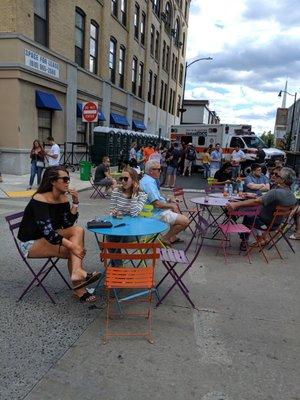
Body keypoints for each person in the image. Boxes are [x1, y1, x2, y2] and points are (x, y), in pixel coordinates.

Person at [17, 166, 100, 302]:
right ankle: (79, 288)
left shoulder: (62, 198)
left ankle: (77, 272)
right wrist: (73, 247)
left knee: (78, 231)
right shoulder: (40, 199)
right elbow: (49, 233)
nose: (68, 182)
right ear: (53, 181)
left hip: (48, 239)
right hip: (31, 243)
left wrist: (75, 202)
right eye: (65, 179)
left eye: (68, 179)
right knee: (73, 251)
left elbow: (68, 223)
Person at [227, 167, 297, 250]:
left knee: (248, 216)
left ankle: (244, 242)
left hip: (265, 224)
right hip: (276, 225)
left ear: (283, 180)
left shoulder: (275, 192)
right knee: (250, 210)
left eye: (277, 175)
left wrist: (236, 204)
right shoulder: (292, 196)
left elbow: (256, 202)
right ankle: (261, 238)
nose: (274, 175)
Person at [140, 160, 189, 246]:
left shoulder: (148, 180)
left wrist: (168, 199)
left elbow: (157, 197)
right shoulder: (148, 183)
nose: (161, 171)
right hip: (154, 213)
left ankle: (172, 237)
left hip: (153, 210)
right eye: (159, 169)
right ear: (151, 171)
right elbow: (157, 204)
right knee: (185, 221)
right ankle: (164, 238)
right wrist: (172, 205)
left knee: (174, 208)